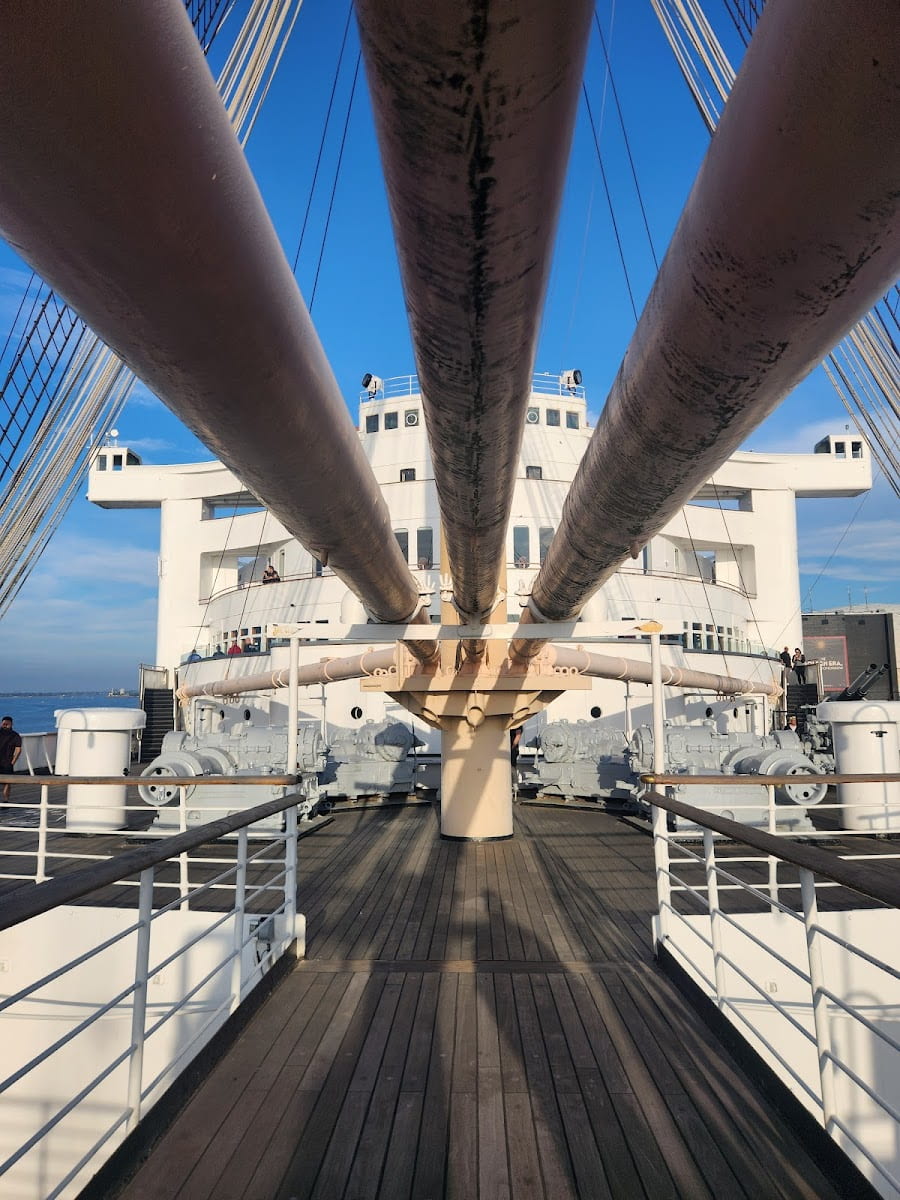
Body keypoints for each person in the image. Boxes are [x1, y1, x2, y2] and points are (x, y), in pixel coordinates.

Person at [0, 715, 22, 804]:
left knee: (7, 782)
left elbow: (18, 749)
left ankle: (6, 800)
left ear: (11, 724)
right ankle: (6, 800)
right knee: (7, 782)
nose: (5, 725)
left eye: (7, 724)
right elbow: (18, 750)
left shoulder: (15, 735)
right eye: (4, 723)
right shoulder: (15, 735)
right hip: (7, 762)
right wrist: (13, 762)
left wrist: (12, 762)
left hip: (7, 762)